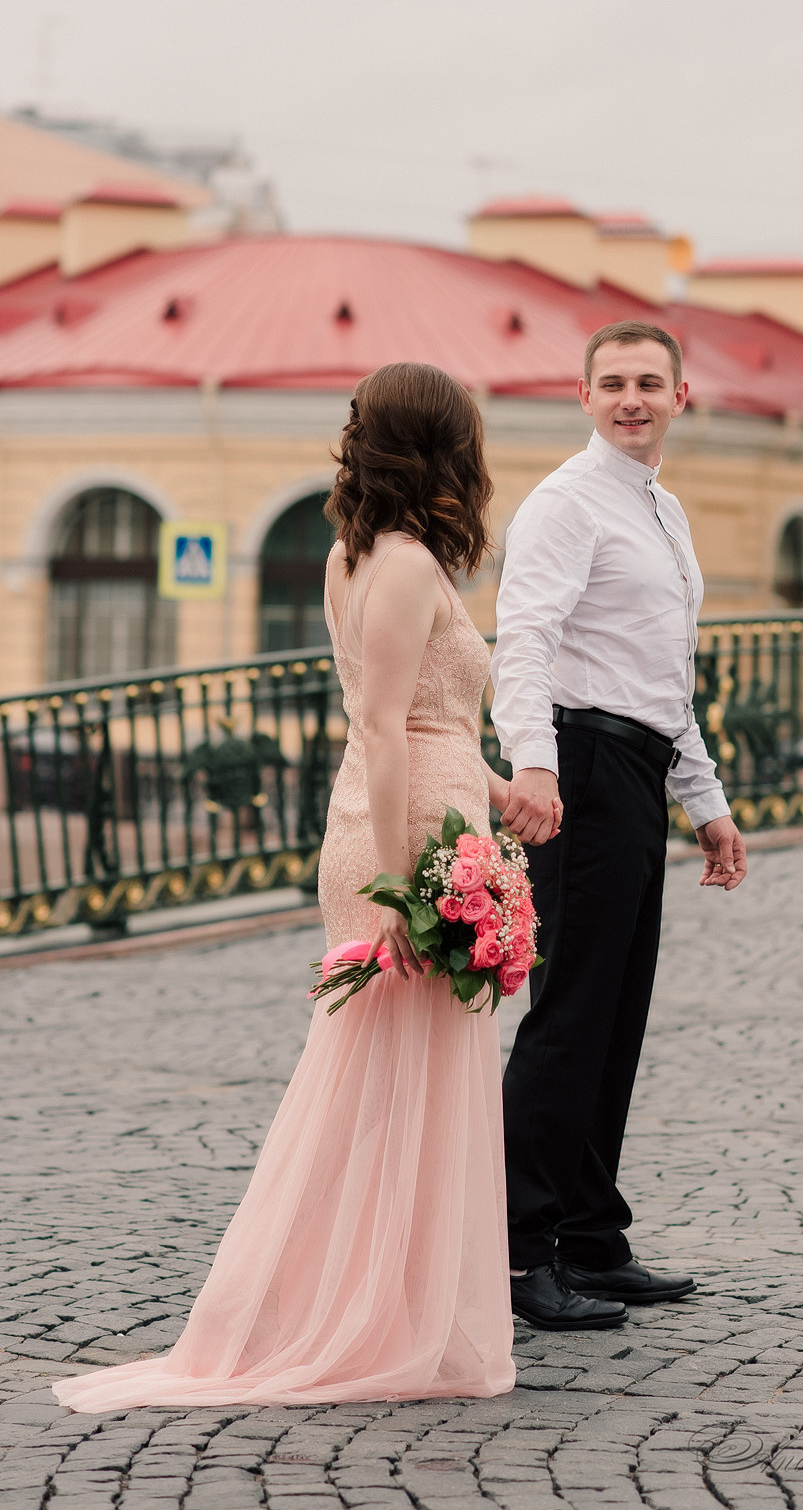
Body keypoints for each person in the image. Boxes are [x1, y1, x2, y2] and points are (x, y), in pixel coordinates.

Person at [53, 362, 544, 1410]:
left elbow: (417, 715)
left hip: (421, 809)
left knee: (391, 1084)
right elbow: (382, 724)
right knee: (397, 1079)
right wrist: (403, 881)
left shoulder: (354, 555)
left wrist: (495, 788)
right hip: (405, 833)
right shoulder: (406, 564)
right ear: (443, 450)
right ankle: (374, 1318)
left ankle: (384, 1303)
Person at [492, 319, 748, 1333]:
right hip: (580, 768)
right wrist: (534, 765)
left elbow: (663, 678)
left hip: (634, 767)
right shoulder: (564, 503)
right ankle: (517, 1255)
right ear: (584, 395)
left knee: (615, 1017)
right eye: (612, 383)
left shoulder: (662, 509)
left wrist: (707, 803)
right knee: (568, 1018)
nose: (631, 398)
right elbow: (526, 640)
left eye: (649, 382)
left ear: (682, 395)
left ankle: (590, 1238)